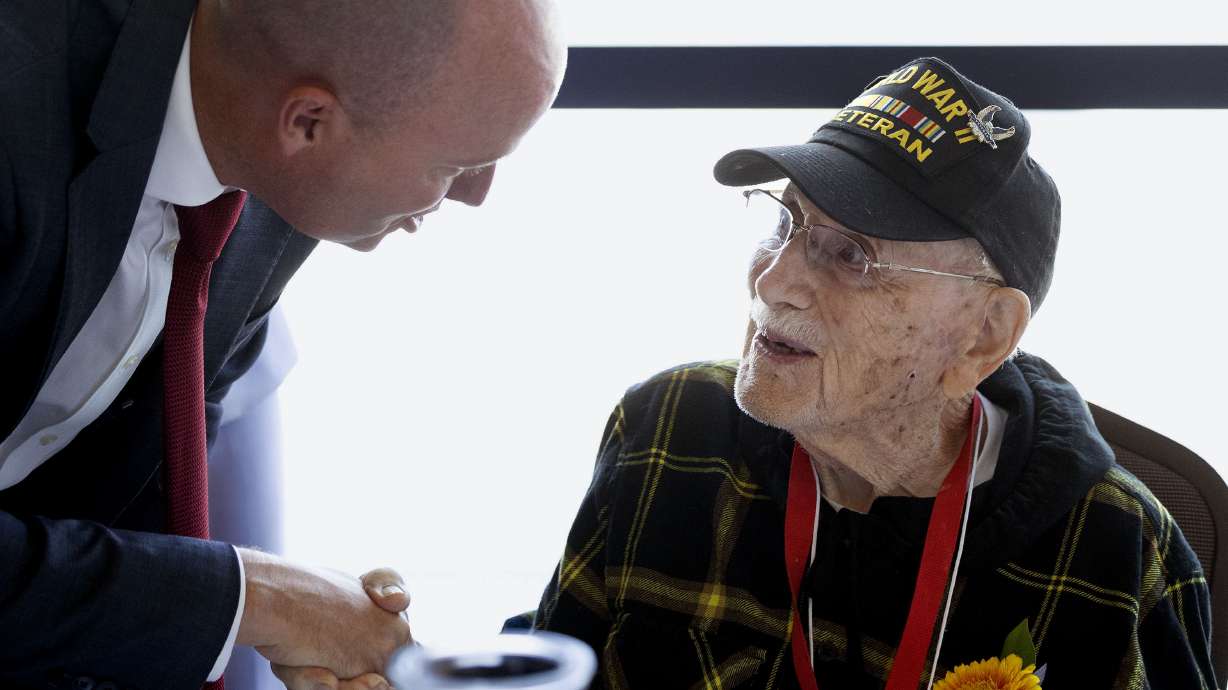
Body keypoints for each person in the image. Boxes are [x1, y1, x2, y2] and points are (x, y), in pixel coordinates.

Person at [527, 57, 1216, 689]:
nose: (773, 280)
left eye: (850, 255)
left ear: (983, 334)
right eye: (785, 221)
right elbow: (552, 667)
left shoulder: (1115, 550)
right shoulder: (666, 431)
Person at [0, 0, 565, 688]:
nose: (479, 195)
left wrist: (246, 617)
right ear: (307, 122)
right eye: (457, 164)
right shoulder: (14, 115)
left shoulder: (275, 185)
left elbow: (137, 491)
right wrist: (257, 599)